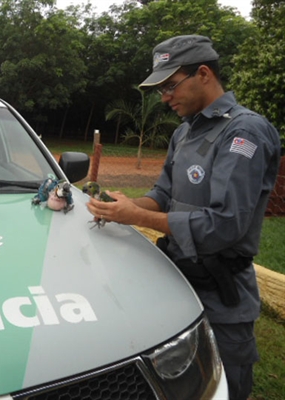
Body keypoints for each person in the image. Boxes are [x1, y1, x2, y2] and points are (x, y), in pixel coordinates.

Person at [86, 35, 281, 400]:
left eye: (170, 86)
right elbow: (163, 195)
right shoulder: (185, 132)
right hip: (179, 280)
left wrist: (135, 218)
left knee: (225, 385)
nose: (164, 97)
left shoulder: (244, 132)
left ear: (203, 73)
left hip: (223, 294)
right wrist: (123, 207)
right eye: (162, 88)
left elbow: (224, 225)